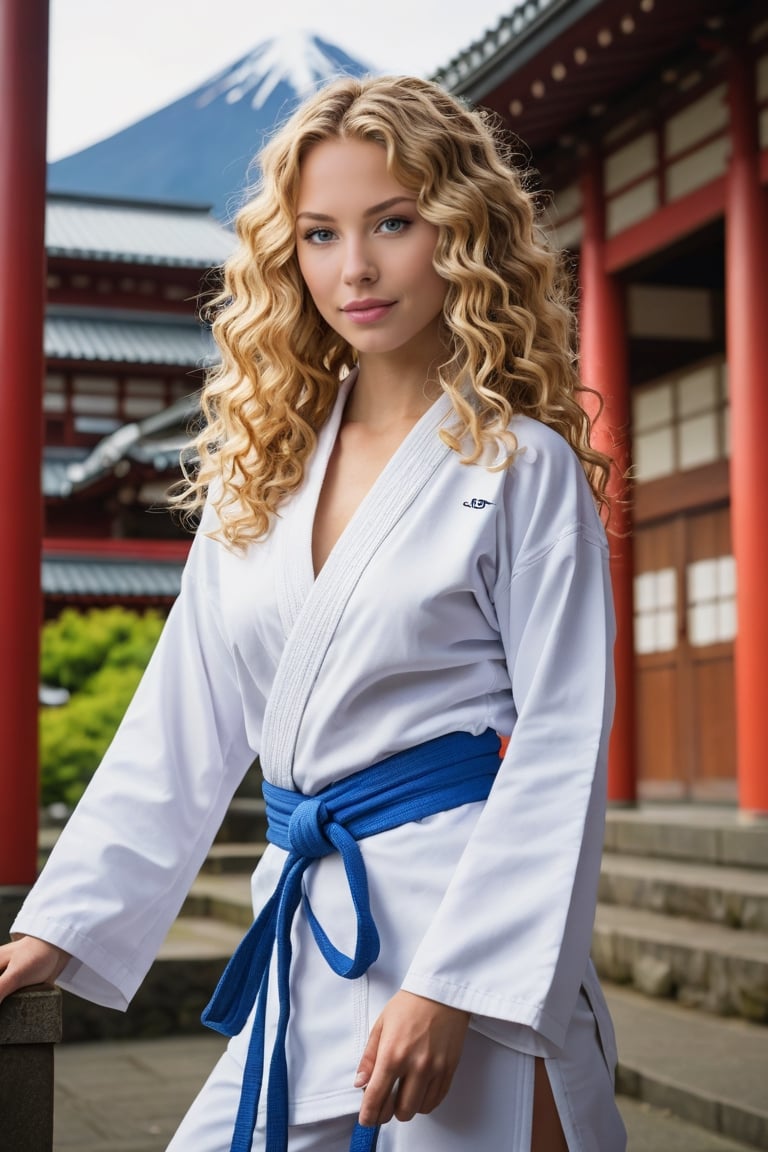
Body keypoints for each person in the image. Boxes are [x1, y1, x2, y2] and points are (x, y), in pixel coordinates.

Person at [0, 75, 627, 1151]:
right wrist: (54, 929)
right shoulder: (258, 474)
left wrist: (455, 987)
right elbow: (179, 722)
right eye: (321, 233)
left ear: (461, 230)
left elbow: (563, 745)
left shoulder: (523, 467)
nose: (357, 268)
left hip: (458, 932)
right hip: (305, 927)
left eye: (395, 221)